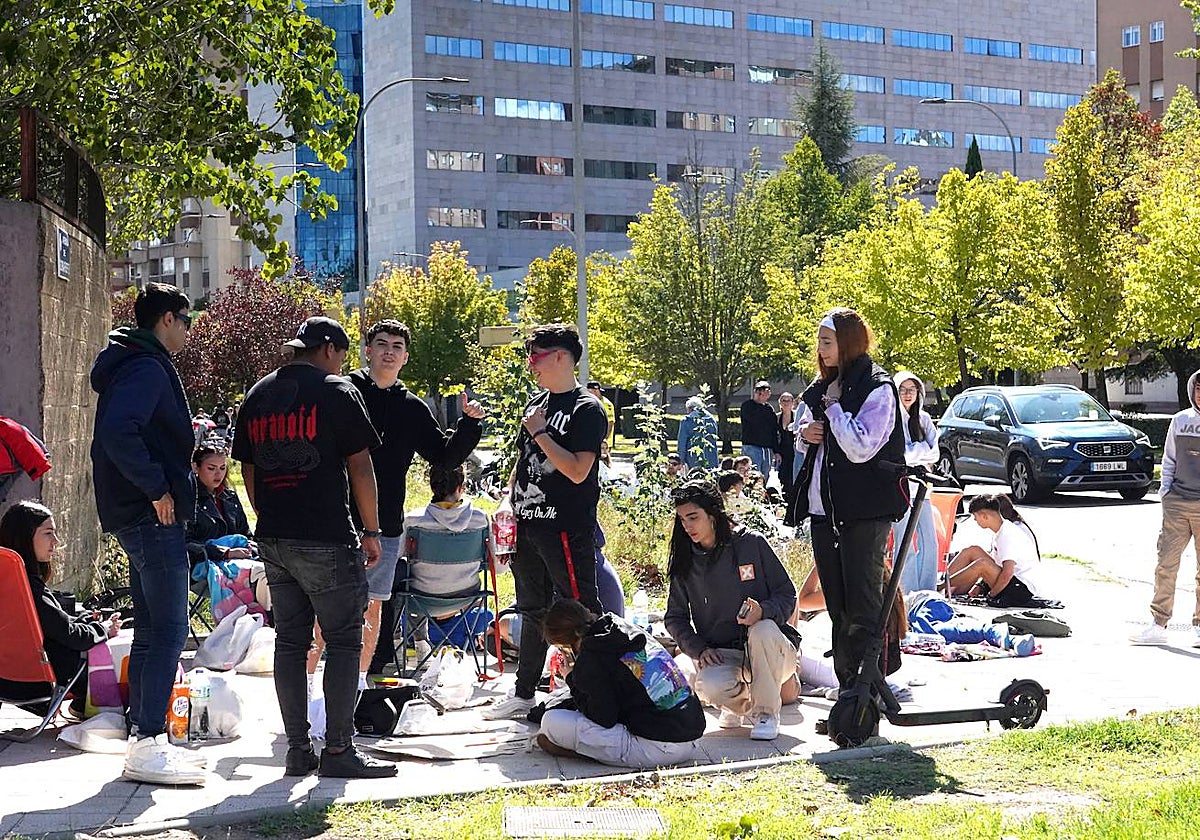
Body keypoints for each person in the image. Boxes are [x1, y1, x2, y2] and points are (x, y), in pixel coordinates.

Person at [231, 316, 396, 779]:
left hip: (275, 538)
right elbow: (360, 466)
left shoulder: (259, 394)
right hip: (324, 535)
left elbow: (248, 470)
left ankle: (298, 750)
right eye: (342, 355)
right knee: (344, 640)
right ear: (328, 349)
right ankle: (339, 751)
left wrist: (269, 514)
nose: (342, 364)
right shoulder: (338, 391)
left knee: (290, 642)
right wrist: (372, 529)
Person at [90, 281, 204, 786]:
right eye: (186, 320)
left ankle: (145, 737)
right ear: (166, 320)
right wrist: (158, 488)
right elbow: (120, 431)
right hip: (149, 514)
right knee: (170, 630)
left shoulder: (133, 362)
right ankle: (149, 742)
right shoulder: (146, 367)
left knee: (153, 629)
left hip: (135, 512)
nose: (189, 330)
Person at [347, 320, 484, 679]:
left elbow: (444, 456)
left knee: (376, 606)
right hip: (338, 521)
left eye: (396, 346)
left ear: (405, 357)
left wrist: (469, 425)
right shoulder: (345, 393)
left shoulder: (411, 407)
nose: (388, 351)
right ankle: (322, 686)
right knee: (331, 611)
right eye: (381, 344)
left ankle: (368, 681)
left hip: (385, 524)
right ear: (368, 351)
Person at [484, 324, 607, 720]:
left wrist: (540, 432)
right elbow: (524, 462)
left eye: (536, 355)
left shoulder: (587, 409)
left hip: (565, 528)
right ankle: (523, 693)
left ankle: (596, 686)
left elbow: (576, 470)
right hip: (527, 526)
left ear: (560, 357)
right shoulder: (537, 404)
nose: (530, 364)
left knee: (579, 608)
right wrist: (508, 500)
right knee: (532, 609)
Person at [792, 307, 907, 697]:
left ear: (848, 343)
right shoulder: (825, 384)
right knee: (837, 609)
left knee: (863, 607)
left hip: (865, 511)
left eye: (828, 342)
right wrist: (806, 431)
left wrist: (834, 409)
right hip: (827, 512)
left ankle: (869, 695)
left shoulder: (879, 387)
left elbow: (860, 447)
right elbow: (803, 435)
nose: (821, 350)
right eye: (820, 342)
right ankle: (848, 695)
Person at [663, 480, 798, 741]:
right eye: (682, 519)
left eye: (693, 517)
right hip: (723, 652)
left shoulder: (752, 544)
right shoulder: (685, 559)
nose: (687, 526)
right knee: (708, 686)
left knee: (763, 629)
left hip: (773, 648)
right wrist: (698, 649)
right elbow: (675, 617)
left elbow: (787, 593)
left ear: (713, 515)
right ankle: (735, 705)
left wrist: (764, 611)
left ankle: (766, 713)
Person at [536, 600, 705, 768]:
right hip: (691, 737)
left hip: (657, 747)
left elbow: (603, 719)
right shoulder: (619, 626)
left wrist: (571, 679)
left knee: (551, 722)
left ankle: (590, 754)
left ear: (567, 643)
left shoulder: (591, 656)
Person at [0, 501, 122, 718]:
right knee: (116, 654)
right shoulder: (30, 588)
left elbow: (54, 622)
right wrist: (103, 628)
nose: (56, 542)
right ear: (25, 537)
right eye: (48, 534)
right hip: (36, 683)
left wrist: (84, 619)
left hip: (6, 680)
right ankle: (90, 706)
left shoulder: (9, 583)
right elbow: (71, 635)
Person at [1132, 370, 1200, 647]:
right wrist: (1165, 493)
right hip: (1177, 503)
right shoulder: (1181, 420)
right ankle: (1158, 623)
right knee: (1166, 565)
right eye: (1198, 388)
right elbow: (1169, 458)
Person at [946, 494, 1048, 606]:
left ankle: (941, 586)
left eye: (976, 518)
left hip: (1023, 590)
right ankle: (944, 585)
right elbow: (996, 564)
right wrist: (980, 586)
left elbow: (1007, 573)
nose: (975, 521)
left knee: (982, 564)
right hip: (1012, 582)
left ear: (984, 516)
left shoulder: (1008, 534)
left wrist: (991, 595)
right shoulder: (1001, 531)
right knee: (973, 550)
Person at [891, 372, 940, 594]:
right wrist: (922, 450)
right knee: (905, 543)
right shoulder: (891, 418)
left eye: (912, 389)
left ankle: (927, 591)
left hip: (923, 489)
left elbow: (935, 453)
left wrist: (918, 452)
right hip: (900, 488)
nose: (908, 394)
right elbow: (901, 455)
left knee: (930, 542)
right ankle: (907, 591)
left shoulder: (924, 419)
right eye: (903, 389)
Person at [186, 443, 253, 569]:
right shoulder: (189, 499)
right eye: (211, 468)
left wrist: (248, 546)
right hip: (203, 566)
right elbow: (186, 543)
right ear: (196, 467)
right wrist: (225, 553)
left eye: (222, 468)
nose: (218, 474)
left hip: (240, 562)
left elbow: (245, 532)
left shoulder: (230, 497)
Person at [739, 381, 779, 480]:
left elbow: (773, 430)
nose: (761, 395)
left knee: (765, 476)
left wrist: (776, 450)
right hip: (752, 447)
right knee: (752, 475)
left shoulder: (769, 409)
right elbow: (755, 421)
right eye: (759, 392)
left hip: (767, 449)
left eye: (765, 392)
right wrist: (759, 401)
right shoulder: (747, 406)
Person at [677, 397, 719, 472]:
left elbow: (682, 442)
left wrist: (680, 461)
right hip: (711, 458)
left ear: (690, 408)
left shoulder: (686, 420)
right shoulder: (711, 419)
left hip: (693, 459)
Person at [776, 392, 797, 506]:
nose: (786, 403)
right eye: (783, 400)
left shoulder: (797, 416)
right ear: (780, 403)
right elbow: (773, 436)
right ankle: (786, 501)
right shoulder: (777, 418)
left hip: (794, 450)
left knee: (794, 476)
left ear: (792, 403)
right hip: (782, 451)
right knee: (783, 476)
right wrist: (776, 452)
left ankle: (793, 501)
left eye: (788, 400)